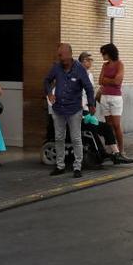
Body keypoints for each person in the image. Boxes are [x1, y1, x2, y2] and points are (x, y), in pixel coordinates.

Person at [44, 43, 95, 178]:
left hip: (74, 109)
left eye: (61, 55)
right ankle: (60, 166)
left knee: (76, 138)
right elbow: (47, 81)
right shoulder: (56, 67)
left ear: (69, 54)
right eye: (59, 55)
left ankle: (77, 167)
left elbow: (89, 88)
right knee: (59, 137)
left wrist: (91, 104)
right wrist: (49, 93)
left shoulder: (79, 69)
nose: (60, 57)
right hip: (58, 108)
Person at [78, 52, 133, 165]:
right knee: (93, 128)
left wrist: (94, 100)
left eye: (91, 60)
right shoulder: (77, 75)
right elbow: (80, 93)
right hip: (79, 113)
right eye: (88, 60)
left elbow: (92, 90)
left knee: (107, 127)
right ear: (82, 61)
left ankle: (115, 153)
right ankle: (102, 153)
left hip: (87, 111)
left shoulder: (89, 74)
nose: (90, 62)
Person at [98, 43, 132, 161]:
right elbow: (99, 80)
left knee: (116, 125)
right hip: (104, 97)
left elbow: (117, 81)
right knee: (108, 126)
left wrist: (106, 80)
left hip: (115, 98)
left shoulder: (119, 64)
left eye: (104, 53)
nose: (102, 56)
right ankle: (112, 151)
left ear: (110, 53)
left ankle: (121, 150)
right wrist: (109, 80)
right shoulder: (104, 65)